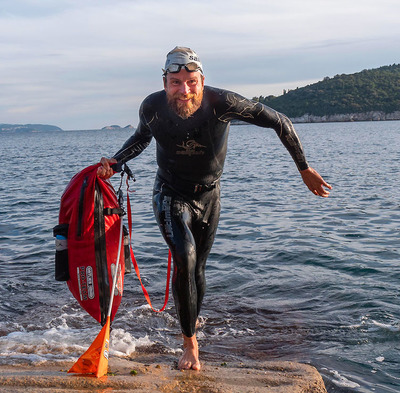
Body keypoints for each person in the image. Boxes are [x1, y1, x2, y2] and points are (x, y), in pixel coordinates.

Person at [98, 46, 332, 371]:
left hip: (210, 196)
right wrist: (116, 161)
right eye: (176, 82)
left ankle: (190, 320)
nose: (184, 90)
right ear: (165, 82)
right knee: (185, 257)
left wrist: (304, 168)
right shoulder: (152, 107)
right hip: (170, 193)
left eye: (191, 81)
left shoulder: (223, 104)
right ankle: (189, 343)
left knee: (198, 270)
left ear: (202, 80)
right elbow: (140, 139)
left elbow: (279, 121)